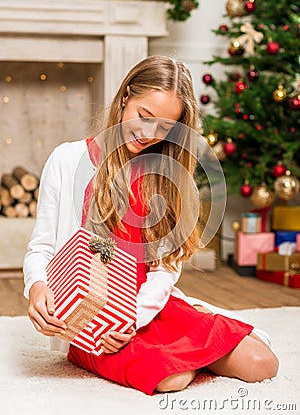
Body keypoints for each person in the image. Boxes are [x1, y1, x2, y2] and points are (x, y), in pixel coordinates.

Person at [23, 55, 279, 395]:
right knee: (172, 379)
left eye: (164, 128)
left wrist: (136, 316)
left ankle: (189, 324)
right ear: (126, 96)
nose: (148, 134)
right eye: (143, 117)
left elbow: (165, 267)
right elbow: (40, 247)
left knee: (263, 364)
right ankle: (183, 348)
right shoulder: (67, 160)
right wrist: (37, 287)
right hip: (97, 321)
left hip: (147, 307)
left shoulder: (166, 173)